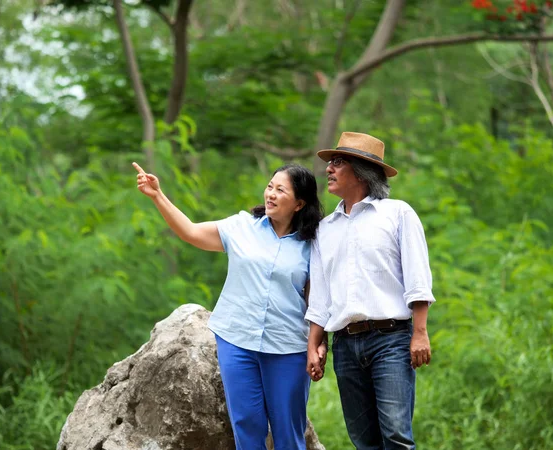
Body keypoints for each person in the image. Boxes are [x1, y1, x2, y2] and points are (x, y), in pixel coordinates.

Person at [133, 161, 325, 450]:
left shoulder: (313, 244)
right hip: (237, 341)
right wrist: (158, 195)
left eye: (280, 190)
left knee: (288, 431)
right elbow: (191, 232)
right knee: (247, 425)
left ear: (299, 203)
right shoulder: (241, 227)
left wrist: (318, 344)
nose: (270, 194)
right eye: (270, 187)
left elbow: (316, 302)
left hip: (288, 347)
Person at [305, 132, 435, 450]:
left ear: (361, 171)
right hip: (345, 345)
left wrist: (420, 332)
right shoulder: (325, 229)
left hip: (391, 340)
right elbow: (320, 294)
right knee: (364, 440)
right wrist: (314, 344)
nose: (328, 169)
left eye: (337, 162)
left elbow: (418, 276)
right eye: (330, 163)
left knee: (395, 435)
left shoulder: (397, 214)